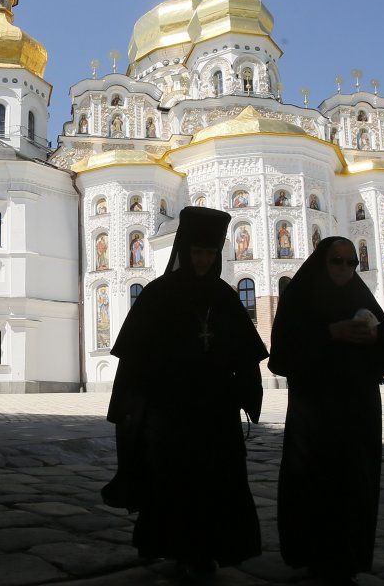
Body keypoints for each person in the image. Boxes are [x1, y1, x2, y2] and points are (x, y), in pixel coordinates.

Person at [103, 206, 268, 576]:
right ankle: (177, 548)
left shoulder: (224, 296)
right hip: (169, 411)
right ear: (184, 251)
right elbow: (133, 358)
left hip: (216, 411)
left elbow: (246, 352)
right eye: (197, 252)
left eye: (209, 253)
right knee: (173, 481)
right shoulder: (158, 295)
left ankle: (209, 549)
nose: (203, 260)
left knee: (216, 481)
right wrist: (130, 407)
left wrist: (246, 391)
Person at [269, 236, 384, 585]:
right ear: (321, 262)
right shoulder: (299, 296)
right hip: (316, 411)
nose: (345, 268)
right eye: (337, 261)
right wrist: (330, 333)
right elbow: (281, 354)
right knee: (315, 482)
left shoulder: (361, 295)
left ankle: (350, 556)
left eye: (351, 262)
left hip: (358, 411)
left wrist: (375, 338)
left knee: (356, 482)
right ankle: (315, 554)